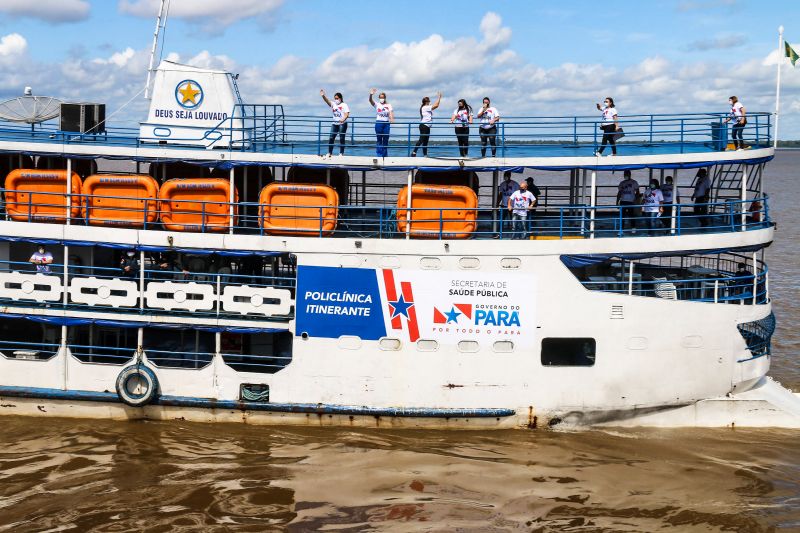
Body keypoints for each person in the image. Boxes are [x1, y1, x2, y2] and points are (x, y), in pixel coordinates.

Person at [320, 89, 350, 158]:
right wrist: (323, 96)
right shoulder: (333, 104)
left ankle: (341, 153)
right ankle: (329, 152)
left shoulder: (344, 105)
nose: (336, 99)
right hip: (334, 123)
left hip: (342, 124)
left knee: (342, 138)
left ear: (340, 98)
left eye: (337, 98)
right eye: (335, 98)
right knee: (331, 137)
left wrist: (343, 119)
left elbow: (347, 114)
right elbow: (327, 101)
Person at [412, 92, 441, 157]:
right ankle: (414, 152)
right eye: (429, 101)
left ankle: (425, 154)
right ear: (426, 102)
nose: (429, 102)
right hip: (424, 126)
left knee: (426, 141)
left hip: (427, 126)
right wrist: (439, 97)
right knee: (422, 139)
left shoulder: (425, 107)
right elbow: (436, 106)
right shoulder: (425, 107)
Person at [369, 88, 394, 157]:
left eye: (382, 97)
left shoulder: (389, 105)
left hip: (386, 123)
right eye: (380, 97)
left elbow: (391, 112)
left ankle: (385, 155)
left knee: (385, 139)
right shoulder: (377, 104)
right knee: (379, 139)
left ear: (385, 98)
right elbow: (370, 101)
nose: (381, 99)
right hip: (379, 123)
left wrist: (392, 118)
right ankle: (379, 155)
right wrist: (371, 94)